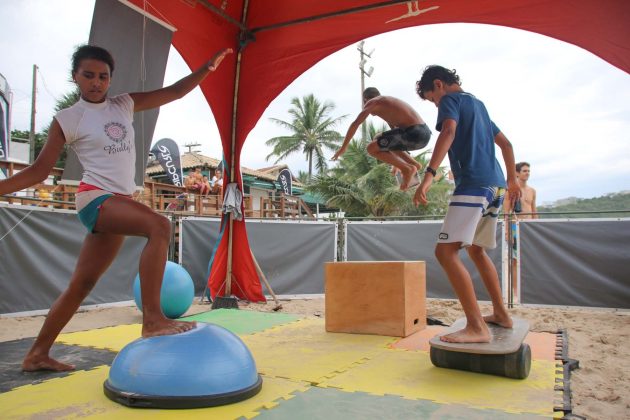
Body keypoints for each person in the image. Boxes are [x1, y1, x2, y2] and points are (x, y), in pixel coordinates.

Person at [0, 44, 232, 372]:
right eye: (89, 75)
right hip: (96, 199)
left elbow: (175, 92)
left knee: (82, 284)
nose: (97, 82)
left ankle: (37, 353)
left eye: (103, 76)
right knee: (160, 226)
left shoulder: (124, 104)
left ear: (110, 79)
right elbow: (39, 171)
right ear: (75, 77)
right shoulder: (68, 119)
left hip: (120, 201)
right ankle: (153, 319)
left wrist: (205, 68)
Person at [413, 65, 521, 343]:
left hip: (474, 184)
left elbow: (448, 131)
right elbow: (506, 145)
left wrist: (428, 175)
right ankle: (501, 314)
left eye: (432, 99)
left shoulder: (451, 100)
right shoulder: (479, 105)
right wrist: (512, 181)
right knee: (475, 250)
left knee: (445, 253)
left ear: (439, 85)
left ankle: (476, 327)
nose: (436, 105)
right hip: (495, 185)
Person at [331, 87, 431, 190]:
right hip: (422, 134)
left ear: (365, 100)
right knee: (378, 137)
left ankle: (407, 169)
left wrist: (343, 147)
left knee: (371, 148)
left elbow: (355, 124)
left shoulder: (374, 102)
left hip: (415, 133)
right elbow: (395, 140)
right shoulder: (388, 106)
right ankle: (413, 164)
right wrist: (396, 163)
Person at [503, 161, 537, 299]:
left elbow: (534, 211)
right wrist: (507, 231)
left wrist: (537, 227)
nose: (527, 173)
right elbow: (506, 212)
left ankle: (528, 290)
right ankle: (515, 291)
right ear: (517, 173)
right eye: (524, 171)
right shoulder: (509, 190)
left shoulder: (532, 191)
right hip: (515, 227)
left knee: (529, 259)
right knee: (515, 260)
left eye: (528, 171)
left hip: (529, 228)